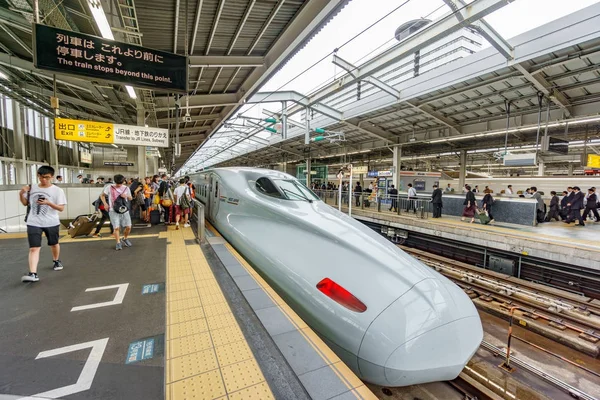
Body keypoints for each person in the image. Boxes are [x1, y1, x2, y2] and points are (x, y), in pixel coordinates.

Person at [18, 166, 67, 282]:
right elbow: (25, 203)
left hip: (51, 222)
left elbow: (61, 208)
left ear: (52, 177)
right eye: (41, 177)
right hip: (33, 222)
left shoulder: (57, 191)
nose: (44, 179)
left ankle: (56, 260)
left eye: (47, 177)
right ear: (38, 176)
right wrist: (21, 194)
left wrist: (48, 203)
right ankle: (33, 273)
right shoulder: (31, 188)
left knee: (54, 243)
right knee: (34, 248)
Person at [101, 174, 133, 250]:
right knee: (116, 228)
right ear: (115, 181)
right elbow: (102, 195)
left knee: (128, 227)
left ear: (123, 181)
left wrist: (126, 196)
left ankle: (125, 238)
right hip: (113, 210)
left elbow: (131, 198)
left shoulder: (126, 188)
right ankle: (118, 243)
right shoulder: (109, 187)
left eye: (120, 183)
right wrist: (105, 204)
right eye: (117, 183)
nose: (119, 185)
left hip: (124, 210)